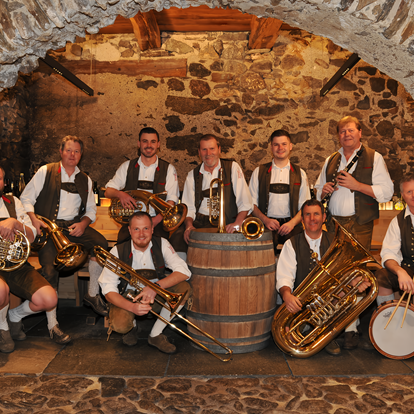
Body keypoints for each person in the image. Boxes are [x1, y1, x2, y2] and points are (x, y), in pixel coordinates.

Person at [20, 136, 109, 344]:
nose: (72, 155)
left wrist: (84, 224)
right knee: (50, 269)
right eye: (68, 150)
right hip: (49, 230)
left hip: (73, 228)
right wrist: (34, 220)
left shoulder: (84, 179)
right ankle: (53, 325)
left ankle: (92, 294)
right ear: (61, 152)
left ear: (81, 154)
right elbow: (26, 198)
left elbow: (90, 211)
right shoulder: (46, 171)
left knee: (101, 245)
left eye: (76, 151)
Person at [315, 115, 393, 350]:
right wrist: (323, 190)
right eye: (342, 131)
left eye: (350, 130)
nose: (346, 134)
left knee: (357, 276)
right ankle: (337, 325)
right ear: (337, 135)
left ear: (360, 133)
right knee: (335, 276)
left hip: (360, 224)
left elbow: (387, 191)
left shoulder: (374, 157)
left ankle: (352, 328)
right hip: (335, 225)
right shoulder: (331, 159)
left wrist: (356, 185)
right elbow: (318, 189)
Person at [276, 199, 371, 355]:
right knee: (289, 337)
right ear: (302, 219)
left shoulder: (337, 241)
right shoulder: (291, 244)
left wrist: (355, 281)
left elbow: (345, 271)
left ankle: (335, 334)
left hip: (329, 298)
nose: (312, 218)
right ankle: (316, 331)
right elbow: (285, 277)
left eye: (316, 214)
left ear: (324, 217)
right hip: (303, 303)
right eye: (307, 215)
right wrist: (286, 295)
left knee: (354, 287)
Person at [98, 211, 192, 354]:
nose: (141, 234)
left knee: (184, 288)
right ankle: (132, 327)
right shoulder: (117, 251)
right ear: (129, 230)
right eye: (136, 229)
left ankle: (155, 334)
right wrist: (132, 307)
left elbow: (185, 272)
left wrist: (155, 287)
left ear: (152, 229)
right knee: (120, 325)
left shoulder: (162, 244)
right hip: (129, 295)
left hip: (156, 293)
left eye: (146, 228)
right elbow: (108, 290)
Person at [0, 166, 58, 353]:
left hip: (17, 265)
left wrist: (16, 223)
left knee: (49, 299)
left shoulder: (13, 202)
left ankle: (14, 316)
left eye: (0, 179)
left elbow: (32, 236)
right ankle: (3, 328)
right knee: (1, 291)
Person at [104, 127, 186, 258]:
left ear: (158, 144)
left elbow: (171, 200)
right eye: (145, 141)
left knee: (157, 253)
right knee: (122, 252)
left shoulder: (169, 169)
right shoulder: (127, 167)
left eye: (153, 141)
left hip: (157, 223)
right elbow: (108, 191)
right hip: (131, 222)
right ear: (139, 143)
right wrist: (121, 194)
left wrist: (155, 221)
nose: (149, 145)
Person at [249, 130, 310, 254]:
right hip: (266, 225)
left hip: (291, 225)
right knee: (262, 256)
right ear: (271, 147)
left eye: (284, 144)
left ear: (290, 146)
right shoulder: (259, 172)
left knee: (298, 253)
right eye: (276, 144)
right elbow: (251, 204)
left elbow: (305, 206)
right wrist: (266, 220)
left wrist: (291, 223)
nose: (280, 148)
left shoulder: (300, 174)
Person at [182, 134, 253, 241]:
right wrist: (189, 226)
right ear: (199, 152)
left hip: (228, 223)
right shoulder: (192, 175)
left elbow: (245, 202)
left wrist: (237, 224)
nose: (208, 153)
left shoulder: (232, 168)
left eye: (212, 149)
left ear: (219, 150)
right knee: (178, 240)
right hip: (200, 224)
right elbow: (188, 208)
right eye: (204, 149)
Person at [376, 172, 414, 306]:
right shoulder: (397, 221)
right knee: (381, 276)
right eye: (409, 191)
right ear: (403, 195)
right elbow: (388, 253)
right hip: (409, 268)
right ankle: (387, 319)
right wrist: (400, 271)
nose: (413, 195)